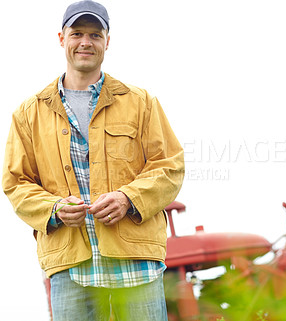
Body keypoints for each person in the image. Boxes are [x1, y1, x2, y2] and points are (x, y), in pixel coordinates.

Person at [2, 1, 185, 320]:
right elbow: (16, 183)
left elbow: (169, 166)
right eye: (77, 33)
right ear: (62, 38)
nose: (85, 42)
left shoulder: (141, 103)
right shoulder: (29, 114)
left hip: (136, 263)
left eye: (95, 34)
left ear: (107, 41)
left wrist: (129, 198)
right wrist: (54, 210)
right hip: (71, 265)